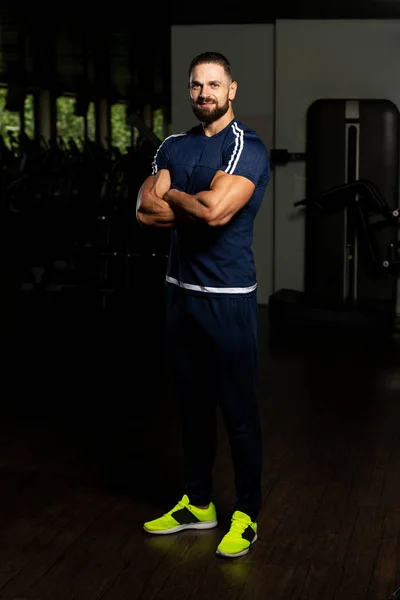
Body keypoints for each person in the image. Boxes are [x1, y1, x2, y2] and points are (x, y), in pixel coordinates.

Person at [136, 51, 270, 558]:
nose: (204, 93)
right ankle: (198, 503)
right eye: (196, 85)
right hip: (180, 293)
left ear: (231, 90)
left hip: (228, 300)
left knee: (237, 413)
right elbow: (145, 212)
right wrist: (188, 203)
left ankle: (247, 512)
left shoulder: (246, 148)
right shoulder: (173, 145)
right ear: (189, 90)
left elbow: (215, 214)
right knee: (191, 409)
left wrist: (177, 199)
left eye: (214, 84)